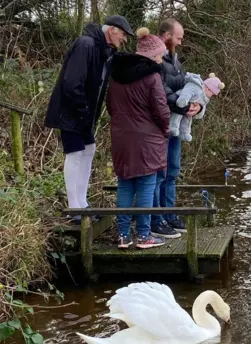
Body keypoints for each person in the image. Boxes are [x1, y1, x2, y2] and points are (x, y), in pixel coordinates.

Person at [44, 15, 134, 224]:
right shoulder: (86, 44)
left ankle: (83, 204)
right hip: (72, 112)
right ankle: (74, 208)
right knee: (74, 154)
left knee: (89, 150)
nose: (125, 39)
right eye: (123, 34)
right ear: (112, 30)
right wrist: (83, 110)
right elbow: (72, 83)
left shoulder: (104, 50)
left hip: (85, 114)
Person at [106, 27, 172, 249]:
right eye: (160, 55)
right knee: (146, 184)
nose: (162, 60)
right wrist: (165, 129)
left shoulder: (115, 76)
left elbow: (110, 107)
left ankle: (124, 235)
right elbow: (161, 110)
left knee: (125, 185)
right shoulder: (152, 77)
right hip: (147, 139)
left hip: (121, 138)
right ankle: (144, 236)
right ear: (152, 55)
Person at [151, 18, 202, 236]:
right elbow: (160, 91)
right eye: (179, 38)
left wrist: (197, 106)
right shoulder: (154, 59)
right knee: (158, 174)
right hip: (159, 126)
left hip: (175, 128)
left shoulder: (176, 62)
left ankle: (169, 215)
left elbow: (186, 89)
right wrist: (183, 107)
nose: (181, 42)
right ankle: (156, 219)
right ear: (167, 36)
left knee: (172, 172)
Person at [170, 72, 225, 141]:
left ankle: (184, 132)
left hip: (185, 110)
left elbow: (199, 115)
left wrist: (198, 110)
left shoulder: (204, 98)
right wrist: (184, 102)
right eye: (212, 94)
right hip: (178, 105)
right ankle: (173, 126)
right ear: (208, 89)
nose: (212, 96)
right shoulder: (196, 86)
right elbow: (187, 92)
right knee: (178, 114)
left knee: (187, 118)